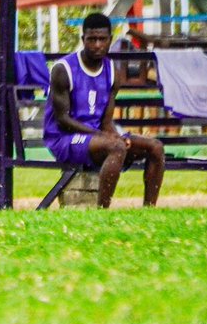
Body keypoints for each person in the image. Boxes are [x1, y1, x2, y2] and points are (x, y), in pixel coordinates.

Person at [43, 12, 165, 208]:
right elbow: (62, 119)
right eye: (92, 39)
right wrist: (106, 137)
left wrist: (116, 136)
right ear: (83, 40)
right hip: (64, 138)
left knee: (155, 147)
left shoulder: (112, 73)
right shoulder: (63, 69)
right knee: (115, 147)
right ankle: (103, 210)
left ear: (110, 40)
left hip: (96, 137)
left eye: (102, 39)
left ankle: (149, 209)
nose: (97, 45)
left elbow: (107, 121)